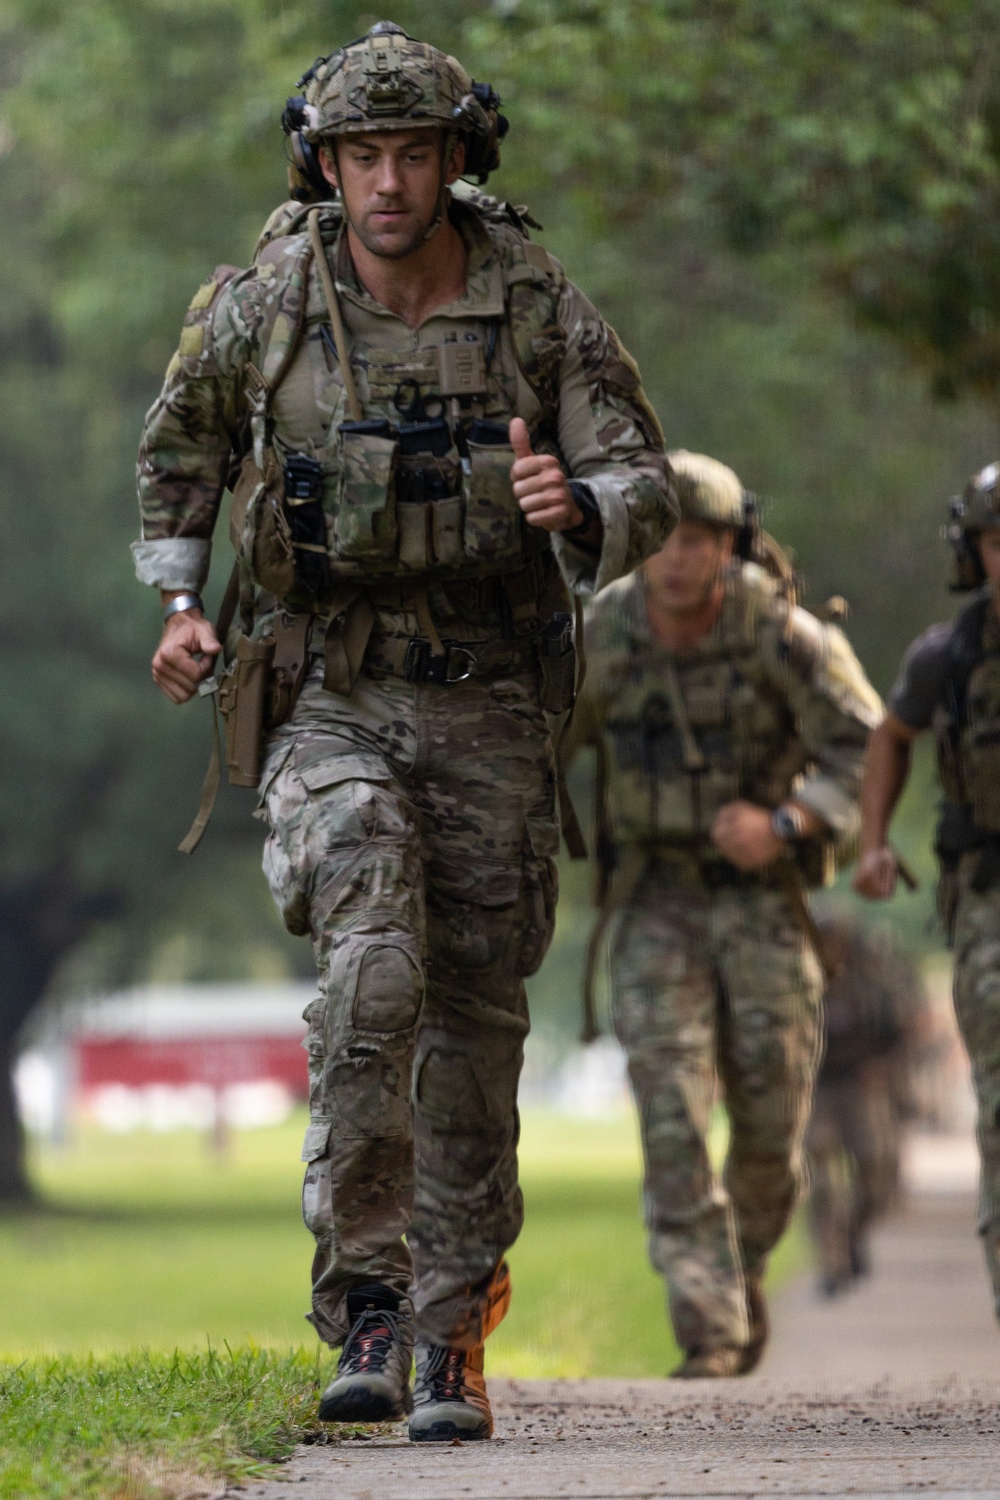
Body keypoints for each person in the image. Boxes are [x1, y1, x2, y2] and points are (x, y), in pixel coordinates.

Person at [133, 21, 674, 1442]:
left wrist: (590, 508)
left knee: (479, 1020)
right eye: (362, 155)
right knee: (373, 962)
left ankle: (451, 1332)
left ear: (457, 157)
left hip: (493, 694)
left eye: (413, 153)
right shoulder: (270, 299)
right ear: (326, 162)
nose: (386, 182)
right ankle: (361, 1302)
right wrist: (181, 604)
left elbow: (643, 471)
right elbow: (179, 450)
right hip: (331, 692)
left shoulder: (533, 299)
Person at [568, 452, 881, 1377]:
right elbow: (534, 745)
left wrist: (787, 819)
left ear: (726, 543)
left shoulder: (784, 637)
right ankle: (708, 1323)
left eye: (696, 538)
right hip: (654, 901)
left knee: (770, 1129)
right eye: (658, 537)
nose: (675, 558)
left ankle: (740, 1276)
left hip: (763, 905)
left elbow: (870, 751)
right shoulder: (601, 637)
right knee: (668, 1106)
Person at [853, 459, 1000, 1326]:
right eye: (995, 542)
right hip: (989, 894)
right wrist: (872, 844)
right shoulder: (949, 655)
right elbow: (890, 735)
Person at [807, 914, 926, 1296]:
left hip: (862, 1087)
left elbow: (907, 1025)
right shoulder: (799, 980)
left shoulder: (870, 981)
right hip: (816, 1091)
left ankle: (854, 1234)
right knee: (821, 1181)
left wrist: (884, 1065)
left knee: (875, 1170)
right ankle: (831, 1261)